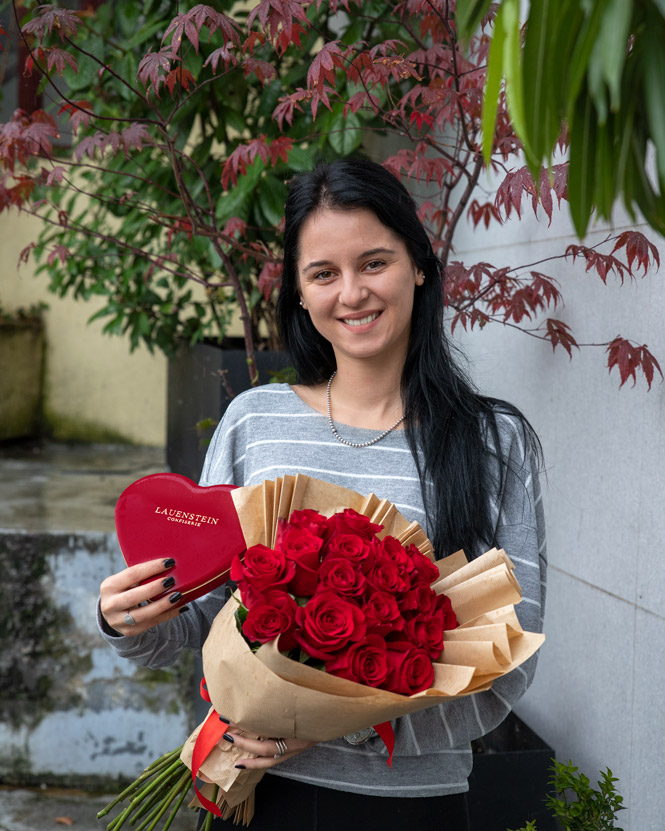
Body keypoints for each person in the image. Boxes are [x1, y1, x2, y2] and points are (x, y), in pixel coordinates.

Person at [98, 158, 546, 831]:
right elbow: (201, 622)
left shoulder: (492, 441)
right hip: (254, 793)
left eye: (373, 263)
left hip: (411, 807)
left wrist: (339, 727)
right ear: (301, 294)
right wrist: (130, 619)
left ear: (418, 265)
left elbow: (508, 664)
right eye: (323, 274)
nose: (352, 293)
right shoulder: (255, 421)